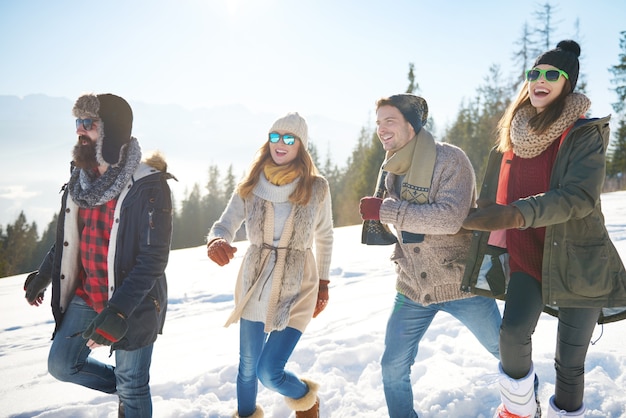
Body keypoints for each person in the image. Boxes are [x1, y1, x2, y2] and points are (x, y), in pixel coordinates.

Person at [462, 40, 626, 418]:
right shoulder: (512, 139)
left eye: (552, 74)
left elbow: (577, 198)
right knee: (512, 335)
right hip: (527, 258)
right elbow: (495, 201)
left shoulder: (584, 134)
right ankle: (519, 410)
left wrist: (513, 215)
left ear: (567, 84)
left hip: (579, 263)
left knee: (569, 364)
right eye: (534, 73)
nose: (540, 79)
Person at [23, 93, 175, 418]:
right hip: (88, 293)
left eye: (88, 123)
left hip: (131, 303)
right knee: (62, 364)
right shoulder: (80, 179)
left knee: (134, 384)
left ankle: (131, 391)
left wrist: (118, 312)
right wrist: (43, 275)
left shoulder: (148, 185)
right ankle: (126, 388)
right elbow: (69, 241)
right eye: (77, 122)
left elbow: (153, 260)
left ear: (111, 132)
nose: (80, 130)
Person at [359, 94, 503, 418]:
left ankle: (525, 404)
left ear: (411, 125)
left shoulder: (451, 160)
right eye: (378, 122)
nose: (381, 129)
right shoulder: (391, 168)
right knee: (392, 366)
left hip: (460, 284)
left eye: (389, 121)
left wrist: (386, 210)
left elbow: (449, 218)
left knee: (508, 352)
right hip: (412, 287)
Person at [206, 112, 333, 418]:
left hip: (299, 284)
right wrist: (216, 241)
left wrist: (324, 284)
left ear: (300, 145)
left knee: (269, 371)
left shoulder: (316, 187)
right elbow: (224, 225)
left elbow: (325, 236)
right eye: (275, 136)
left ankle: (305, 399)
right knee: (248, 368)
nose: (280, 143)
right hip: (256, 283)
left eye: (289, 138)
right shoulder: (250, 185)